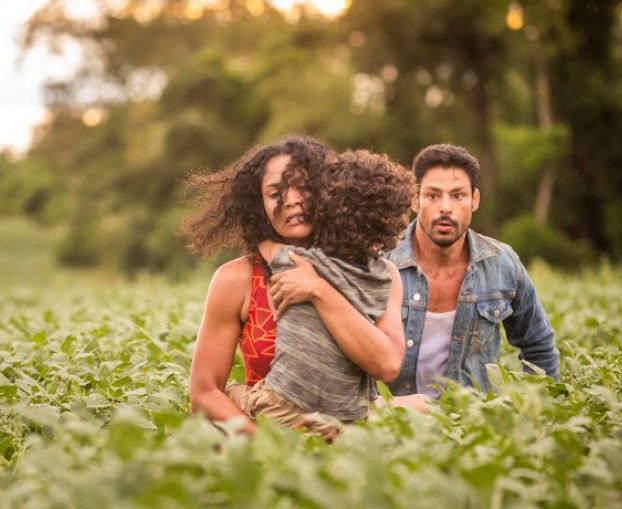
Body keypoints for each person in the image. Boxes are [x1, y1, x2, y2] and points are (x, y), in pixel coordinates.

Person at [183, 135, 404, 435]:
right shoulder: (236, 279)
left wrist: (319, 290)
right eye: (275, 193)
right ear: (258, 205)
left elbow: (387, 364)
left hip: (349, 440)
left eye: (304, 187)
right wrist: (275, 445)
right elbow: (203, 393)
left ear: (329, 190)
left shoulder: (376, 273)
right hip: (266, 433)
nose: (291, 200)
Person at [386, 143, 560, 398]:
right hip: (394, 425)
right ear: (415, 199)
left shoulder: (502, 264)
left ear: (474, 200)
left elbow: (539, 346)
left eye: (457, 196)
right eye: (433, 195)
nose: (445, 207)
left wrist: (531, 412)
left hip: (474, 427)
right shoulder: (381, 261)